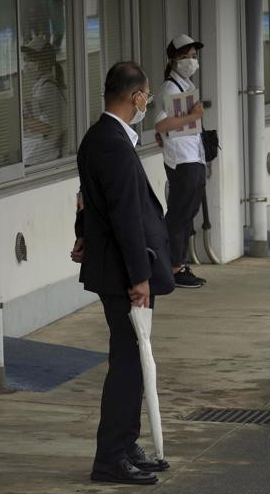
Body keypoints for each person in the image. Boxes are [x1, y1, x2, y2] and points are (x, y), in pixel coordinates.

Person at [73, 61, 175, 484]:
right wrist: (139, 276)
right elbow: (124, 214)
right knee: (128, 363)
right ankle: (110, 457)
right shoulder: (112, 142)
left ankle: (126, 445)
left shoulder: (103, 137)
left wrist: (82, 235)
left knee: (131, 358)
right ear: (136, 98)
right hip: (121, 272)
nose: (147, 103)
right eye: (147, 96)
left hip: (114, 265)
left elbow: (86, 200)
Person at [155, 35, 207, 289]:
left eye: (194, 56)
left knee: (187, 214)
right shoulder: (170, 88)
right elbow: (162, 123)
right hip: (182, 162)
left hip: (193, 157)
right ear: (174, 59)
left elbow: (164, 129)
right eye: (185, 57)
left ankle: (178, 264)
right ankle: (173, 266)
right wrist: (193, 115)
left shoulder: (184, 84)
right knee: (178, 215)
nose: (191, 61)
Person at [20, 35, 68, 166]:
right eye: (26, 59)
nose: (26, 63)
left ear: (45, 63)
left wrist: (22, 121)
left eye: (31, 59)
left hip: (41, 157)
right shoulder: (46, 85)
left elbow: (46, 127)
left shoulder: (47, 88)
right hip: (42, 155)